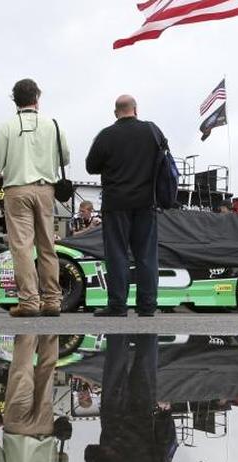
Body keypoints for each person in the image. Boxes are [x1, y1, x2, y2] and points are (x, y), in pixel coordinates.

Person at [0, 79, 70, 318]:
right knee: (47, 246)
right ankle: (52, 300)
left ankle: (29, 300)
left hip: (17, 190)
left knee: (21, 247)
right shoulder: (53, 125)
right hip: (46, 190)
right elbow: (65, 158)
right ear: (37, 98)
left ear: (15, 100)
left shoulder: (5, 128)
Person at [86, 95, 167, 318]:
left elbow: (91, 166)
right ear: (136, 110)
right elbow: (164, 157)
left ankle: (118, 305)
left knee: (117, 254)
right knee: (146, 255)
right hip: (146, 202)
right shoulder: (152, 131)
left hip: (116, 204)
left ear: (116, 113)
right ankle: (147, 306)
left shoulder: (106, 135)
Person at [86, 334, 176, 462]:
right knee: (115, 366)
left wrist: (165, 415)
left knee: (146, 365)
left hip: (142, 414)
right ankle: (118, 327)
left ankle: (148, 325)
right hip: (113, 415)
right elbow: (90, 452)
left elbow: (166, 447)